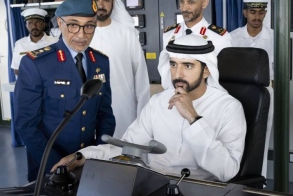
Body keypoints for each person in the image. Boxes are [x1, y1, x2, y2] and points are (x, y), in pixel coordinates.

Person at [52, 35, 247, 182]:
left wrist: (194, 119)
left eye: (188, 66)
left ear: (206, 70)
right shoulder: (158, 102)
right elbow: (126, 147)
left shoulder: (229, 108)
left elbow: (227, 171)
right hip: (153, 184)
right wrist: (83, 156)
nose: (177, 74)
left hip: (201, 188)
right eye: (173, 64)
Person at [14, 0, 116, 182]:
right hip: (50, 165)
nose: (81, 34)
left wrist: (99, 153)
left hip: (87, 161)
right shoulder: (35, 64)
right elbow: (25, 124)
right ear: (60, 24)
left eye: (89, 26)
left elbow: (105, 115)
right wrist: (58, 164)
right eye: (73, 25)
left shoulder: (101, 61)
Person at [84, 0, 150, 139]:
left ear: (113, 2)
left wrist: (144, 118)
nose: (101, 5)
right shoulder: (81, 34)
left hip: (124, 107)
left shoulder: (127, 33)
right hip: (89, 107)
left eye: (106, 0)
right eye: (95, 0)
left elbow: (141, 78)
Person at [229, 0, 273, 179]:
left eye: (261, 13)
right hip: (235, 93)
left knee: (260, 136)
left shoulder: (274, 37)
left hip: (265, 93)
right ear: (245, 12)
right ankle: (233, 174)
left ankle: (257, 179)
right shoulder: (232, 37)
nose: (257, 17)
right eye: (253, 12)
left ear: (265, 13)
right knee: (234, 134)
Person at [159, 0, 232, 89]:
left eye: (191, 2)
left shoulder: (219, 37)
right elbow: (166, 70)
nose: (184, 8)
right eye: (181, 1)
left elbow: (224, 76)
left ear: (204, 3)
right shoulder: (169, 34)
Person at [11, 8, 58, 75]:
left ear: (44, 24)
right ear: (26, 26)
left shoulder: (55, 42)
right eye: (30, 23)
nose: (34, 26)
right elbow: (16, 69)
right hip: (29, 84)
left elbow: (61, 65)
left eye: (37, 22)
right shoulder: (19, 44)